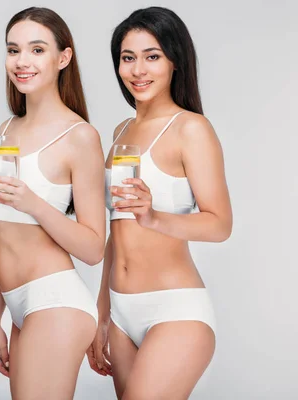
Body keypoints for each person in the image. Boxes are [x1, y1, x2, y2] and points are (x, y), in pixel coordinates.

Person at [87, 7, 233, 399]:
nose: (138, 70)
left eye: (152, 56)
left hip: (175, 308)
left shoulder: (191, 128)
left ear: (174, 61)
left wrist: (153, 217)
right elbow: (116, 233)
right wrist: (102, 313)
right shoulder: (120, 131)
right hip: (120, 312)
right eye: (127, 57)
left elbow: (219, 224)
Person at [0, 7, 106, 399]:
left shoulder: (80, 136)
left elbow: (94, 247)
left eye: (36, 50)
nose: (22, 62)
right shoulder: (6, 129)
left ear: (62, 58)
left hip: (55, 299)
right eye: (13, 50)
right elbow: (3, 235)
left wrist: (33, 203)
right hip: (17, 305)